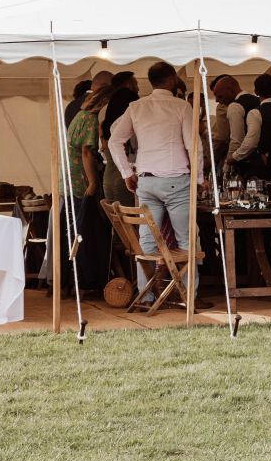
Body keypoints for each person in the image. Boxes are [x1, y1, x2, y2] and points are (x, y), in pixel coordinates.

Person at [107, 61, 198, 300]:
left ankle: (146, 296)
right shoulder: (181, 106)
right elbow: (192, 145)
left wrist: (128, 173)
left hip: (146, 181)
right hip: (177, 178)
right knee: (186, 240)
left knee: (147, 242)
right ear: (171, 80)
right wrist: (199, 178)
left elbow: (113, 141)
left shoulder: (136, 107)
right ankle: (188, 295)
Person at [64, 81, 113, 290]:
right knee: (83, 230)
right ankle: (88, 277)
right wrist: (93, 182)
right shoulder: (91, 120)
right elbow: (86, 152)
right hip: (80, 179)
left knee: (76, 228)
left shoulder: (79, 115)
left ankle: (78, 279)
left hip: (70, 177)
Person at [100, 83, 139, 208]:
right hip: (124, 175)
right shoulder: (126, 125)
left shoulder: (104, 125)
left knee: (118, 223)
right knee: (133, 222)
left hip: (108, 177)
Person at [227, 75, 267, 181]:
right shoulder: (259, 102)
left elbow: (237, 140)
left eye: (220, 96)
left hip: (250, 165)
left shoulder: (235, 106)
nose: (217, 100)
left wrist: (231, 159)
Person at [208, 75, 247, 177]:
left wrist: (227, 162)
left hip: (235, 160)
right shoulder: (255, 101)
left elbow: (226, 138)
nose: (217, 100)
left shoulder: (229, 107)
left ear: (230, 89)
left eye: (219, 96)